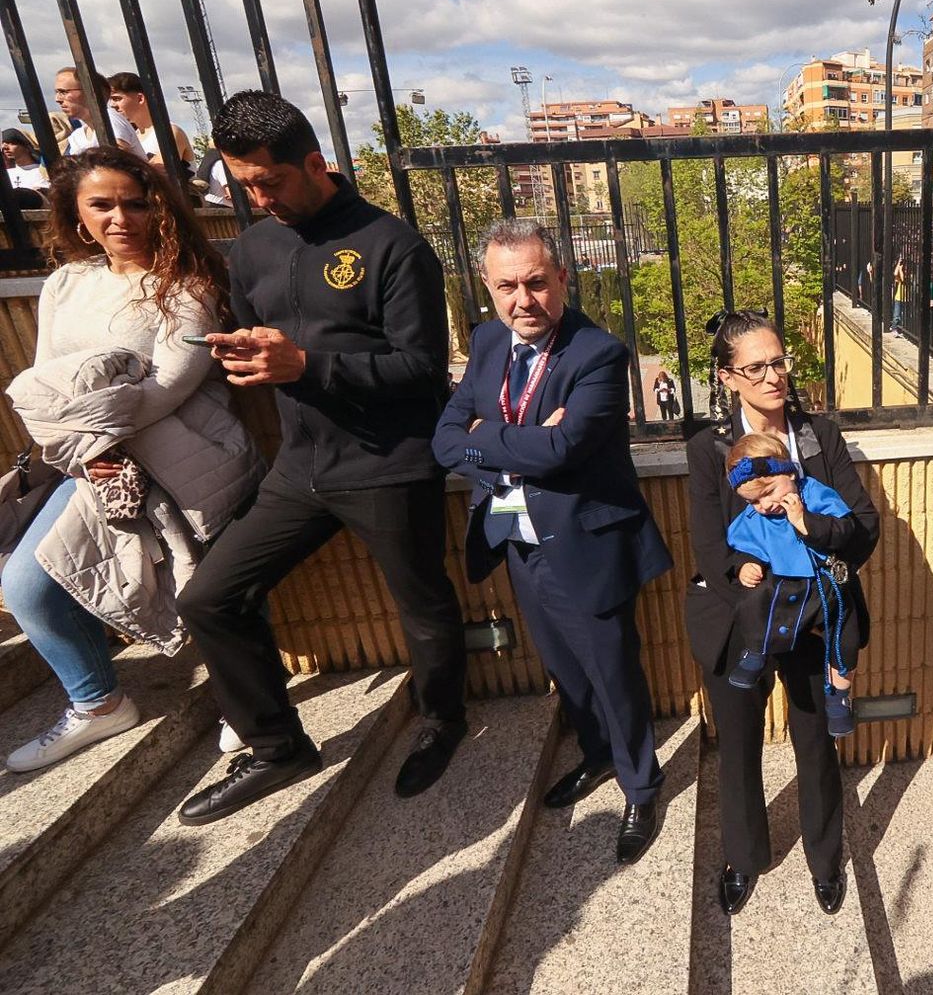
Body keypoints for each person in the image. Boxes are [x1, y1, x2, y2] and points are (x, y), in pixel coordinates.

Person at [173, 91, 468, 825]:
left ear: (314, 163)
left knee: (424, 607)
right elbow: (261, 343)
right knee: (208, 598)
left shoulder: (393, 245)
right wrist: (246, 357)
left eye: (270, 181)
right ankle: (278, 748)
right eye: (245, 185)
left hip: (389, 462)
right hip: (299, 467)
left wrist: (307, 365)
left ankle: (442, 720)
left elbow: (421, 369)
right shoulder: (253, 249)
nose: (259, 198)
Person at [2, 147, 261, 772]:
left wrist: (83, 426)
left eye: (135, 203)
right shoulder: (66, 283)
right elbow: (43, 383)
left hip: (187, 461)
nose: (120, 218)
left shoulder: (188, 284)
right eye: (102, 205)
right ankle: (98, 702)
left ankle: (248, 701)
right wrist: (83, 442)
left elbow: (168, 387)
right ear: (77, 214)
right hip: (90, 465)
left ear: (159, 209)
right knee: (26, 586)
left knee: (212, 587)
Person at [433, 218, 672, 864]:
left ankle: (641, 786)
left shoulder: (598, 353)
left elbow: (564, 448)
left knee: (612, 671)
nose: (524, 300)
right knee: (564, 665)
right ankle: (598, 754)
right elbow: (445, 440)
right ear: (487, 286)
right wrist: (521, 442)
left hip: (586, 543)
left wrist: (488, 436)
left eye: (536, 282)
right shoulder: (487, 340)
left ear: (562, 278)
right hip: (517, 536)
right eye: (507, 286)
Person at [685, 309, 879, 916]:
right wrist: (760, 599)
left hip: (814, 616)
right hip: (741, 614)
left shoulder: (819, 436)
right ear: (727, 377)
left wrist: (813, 542)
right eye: (756, 368)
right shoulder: (709, 449)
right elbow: (711, 547)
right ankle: (744, 857)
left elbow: (863, 527)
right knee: (738, 742)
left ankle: (825, 859)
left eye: (779, 362)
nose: (773, 377)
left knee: (816, 739)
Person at [722, 431, 860, 736]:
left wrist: (804, 521)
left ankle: (838, 696)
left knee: (845, 636)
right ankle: (755, 652)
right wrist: (746, 564)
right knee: (754, 602)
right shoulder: (755, 517)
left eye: (769, 491)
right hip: (784, 583)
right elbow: (744, 545)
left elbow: (844, 530)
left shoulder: (815, 495)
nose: (764, 505)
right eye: (753, 501)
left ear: (790, 473)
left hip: (825, 584)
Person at [108, 72, 195, 172]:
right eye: (110, 100)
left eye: (117, 99)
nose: (112, 105)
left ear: (140, 99)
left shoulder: (170, 132)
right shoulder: (132, 137)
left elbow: (158, 173)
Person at [54, 68, 141, 156]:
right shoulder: (77, 137)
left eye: (63, 92)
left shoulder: (109, 118)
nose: (57, 99)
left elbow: (120, 159)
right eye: (56, 92)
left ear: (89, 91)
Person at [3, 128, 49, 204]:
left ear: (27, 147)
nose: (5, 147)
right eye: (4, 143)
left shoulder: (44, 171)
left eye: (12, 143)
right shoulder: (5, 174)